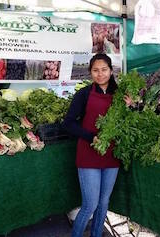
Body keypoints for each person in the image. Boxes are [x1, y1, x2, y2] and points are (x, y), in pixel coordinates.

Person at [63, 53, 121, 237]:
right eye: (95, 70)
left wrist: (132, 107)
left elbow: (128, 122)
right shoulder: (84, 94)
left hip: (111, 155)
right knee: (90, 204)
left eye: (104, 70)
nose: (100, 74)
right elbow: (69, 123)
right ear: (90, 73)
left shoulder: (120, 95)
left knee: (104, 202)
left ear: (111, 71)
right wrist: (90, 137)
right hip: (89, 154)